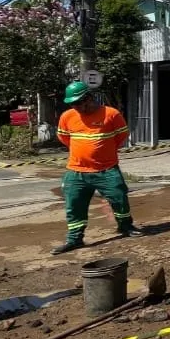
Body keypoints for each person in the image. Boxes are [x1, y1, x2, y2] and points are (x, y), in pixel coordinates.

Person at [52, 81, 144, 255]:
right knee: (74, 205)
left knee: (119, 197)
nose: (76, 106)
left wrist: (102, 151)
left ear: (89, 97)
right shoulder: (67, 117)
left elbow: (121, 136)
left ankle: (125, 227)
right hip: (76, 171)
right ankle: (75, 239)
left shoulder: (111, 114)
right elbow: (65, 139)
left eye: (78, 102)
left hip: (107, 170)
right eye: (72, 104)